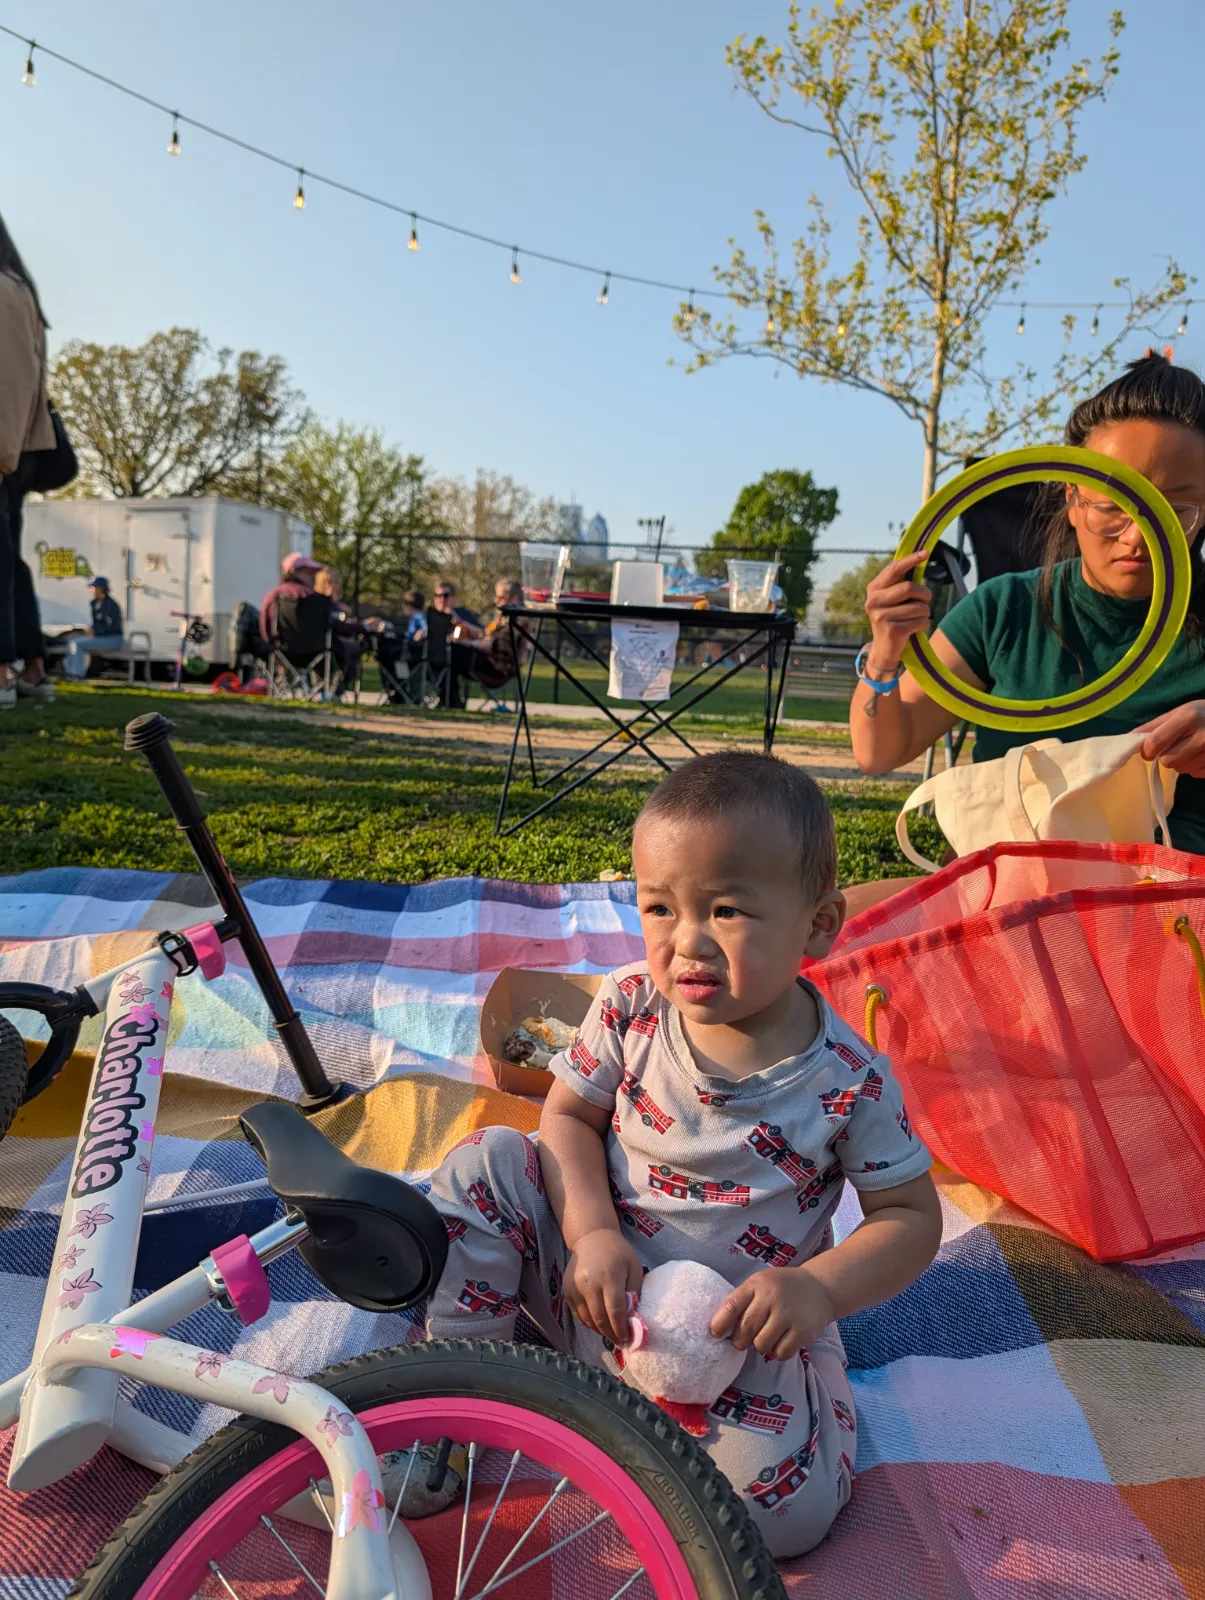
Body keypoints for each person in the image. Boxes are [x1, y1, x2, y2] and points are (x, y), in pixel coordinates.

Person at [424, 751, 941, 1558]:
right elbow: (564, 1117)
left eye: (727, 910)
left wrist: (813, 1291)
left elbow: (909, 1218)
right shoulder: (629, 1006)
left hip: (736, 1337)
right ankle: (451, 1393)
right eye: (659, 907)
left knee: (781, 1521)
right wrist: (591, 1234)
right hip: (595, 1290)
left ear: (818, 922)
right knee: (485, 1160)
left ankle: (789, 1392)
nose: (686, 943)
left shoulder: (849, 1082)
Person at [847, 353, 1205, 914]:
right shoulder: (1006, 609)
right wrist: (887, 654)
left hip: (1174, 916)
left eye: (1172, 509)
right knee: (813, 936)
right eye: (1113, 504)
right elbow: (879, 750)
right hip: (1009, 910)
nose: (1137, 536)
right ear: (1072, 499)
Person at [0, 212, 55, 710]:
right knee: (10, 564)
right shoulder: (20, 291)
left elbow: (12, 382)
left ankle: (5, 673)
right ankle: (30, 669)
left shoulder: (4, 290)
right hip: (17, 451)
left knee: (3, 563)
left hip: (6, 449)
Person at [259, 551, 324, 648]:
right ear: (294, 571)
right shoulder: (313, 596)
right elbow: (335, 624)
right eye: (308, 572)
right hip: (318, 654)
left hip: (282, 654)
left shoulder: (273, 595)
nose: (313, 576)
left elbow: (265, 630)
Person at [64, 576, 124, 681]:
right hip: (101, 638)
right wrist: (91, 630)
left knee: (78, 644)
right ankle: (72, 673)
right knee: (72, 641)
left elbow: (113, 627)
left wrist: (95, 631)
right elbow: (97, 624)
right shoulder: (95, 603)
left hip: (113, 638)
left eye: (93, 587)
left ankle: (77, 675)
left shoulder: (111, 605)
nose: (91, 590)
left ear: (101, 588)